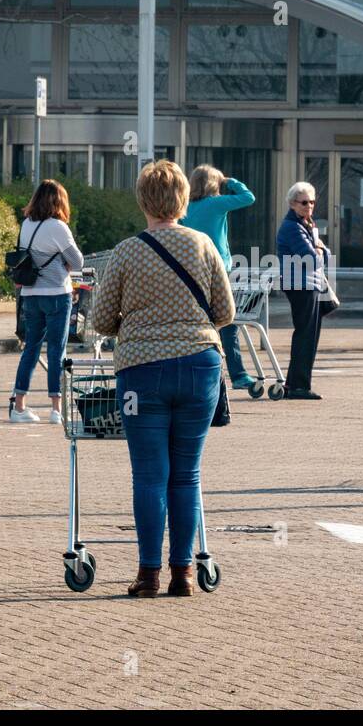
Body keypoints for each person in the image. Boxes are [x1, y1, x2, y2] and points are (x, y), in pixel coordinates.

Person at [91, 160, 234, 598]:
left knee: (149, 474)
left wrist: (134, 328)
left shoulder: (126, 251)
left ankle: (148, 574)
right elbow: (225, 311)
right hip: (199, 366)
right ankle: (184, 572)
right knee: (186, 474)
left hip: (142, 371)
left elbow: (99, 319)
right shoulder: (204, 244)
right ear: (184, 200)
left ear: (142, 202)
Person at [9, 179, 85, 424]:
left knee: (30, 349)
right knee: (57, 350)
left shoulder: (27, 225)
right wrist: (63, 262)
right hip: (56, 294)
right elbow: (77, 261)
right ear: (58, 201)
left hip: (31, 294)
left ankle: (19, 405)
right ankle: (56, 408)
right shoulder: (59, 227)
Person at [181, 165, 257, 391]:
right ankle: (239, 374)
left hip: (194, 270)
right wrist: (230, 180)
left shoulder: (185, 208)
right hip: (220, 271)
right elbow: (248, 197)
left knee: (199, 323)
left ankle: (195, 371)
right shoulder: (216, 204)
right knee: (228, 322)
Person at [275, 181, 332, 400]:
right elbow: (312, 259)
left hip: (309, 284)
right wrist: (319, 250)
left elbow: (323, 254)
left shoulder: (305, 225)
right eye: (304, 202)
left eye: (312, 202)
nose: (309, 206)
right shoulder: (292, 227)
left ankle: (294, 383)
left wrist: (319, 250)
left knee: (308, 334)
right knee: (305, 335)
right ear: (292, 204)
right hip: (301, 285)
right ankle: (299, 386)